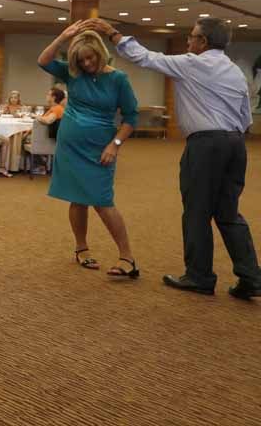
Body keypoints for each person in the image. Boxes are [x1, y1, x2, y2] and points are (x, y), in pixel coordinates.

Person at [87, 17, 261, 299]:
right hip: (235, 144)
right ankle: (251, 277)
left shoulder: (192, 63)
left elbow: (143, 57)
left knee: (197, 211)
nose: (188, 42)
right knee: (229, 213)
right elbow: (245, 116)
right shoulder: (234, 71)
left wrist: (112, 33)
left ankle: (199, 276)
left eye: (192, 37)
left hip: (206, 145)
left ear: (203, 42)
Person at [37, 23, 140, 278]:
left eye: (90, 58)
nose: (86, 64)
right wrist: (63, 36)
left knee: (103, 201)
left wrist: (114, 145)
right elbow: (43, 60)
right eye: (81, 60)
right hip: (70, 146)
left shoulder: (118, 79)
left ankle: (127, 256)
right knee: (77, 197)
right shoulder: (73, 73)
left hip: (100, 148)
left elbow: (131, 118)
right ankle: (81, 248)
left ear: (100, 52)